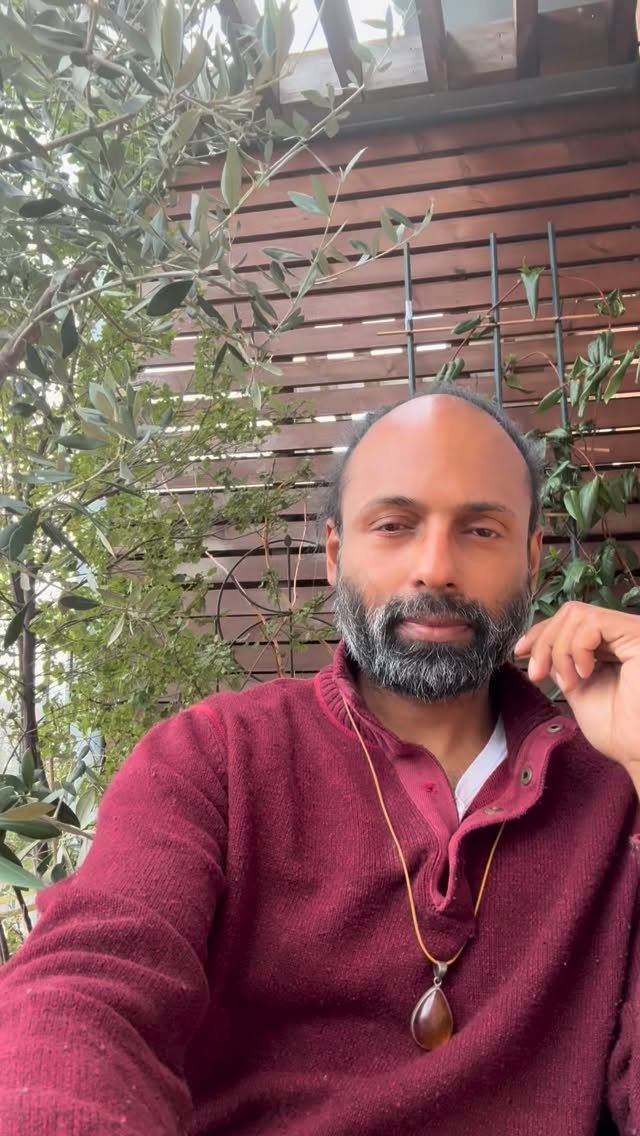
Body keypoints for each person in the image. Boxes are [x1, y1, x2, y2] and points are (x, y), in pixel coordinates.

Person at [0, 387, 638, 1136]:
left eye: (481, 530)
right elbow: (86, 989)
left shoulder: (615, 790)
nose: (435, 568)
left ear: (531, 559)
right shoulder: (214, 759)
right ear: (336, 554)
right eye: (394, 525)